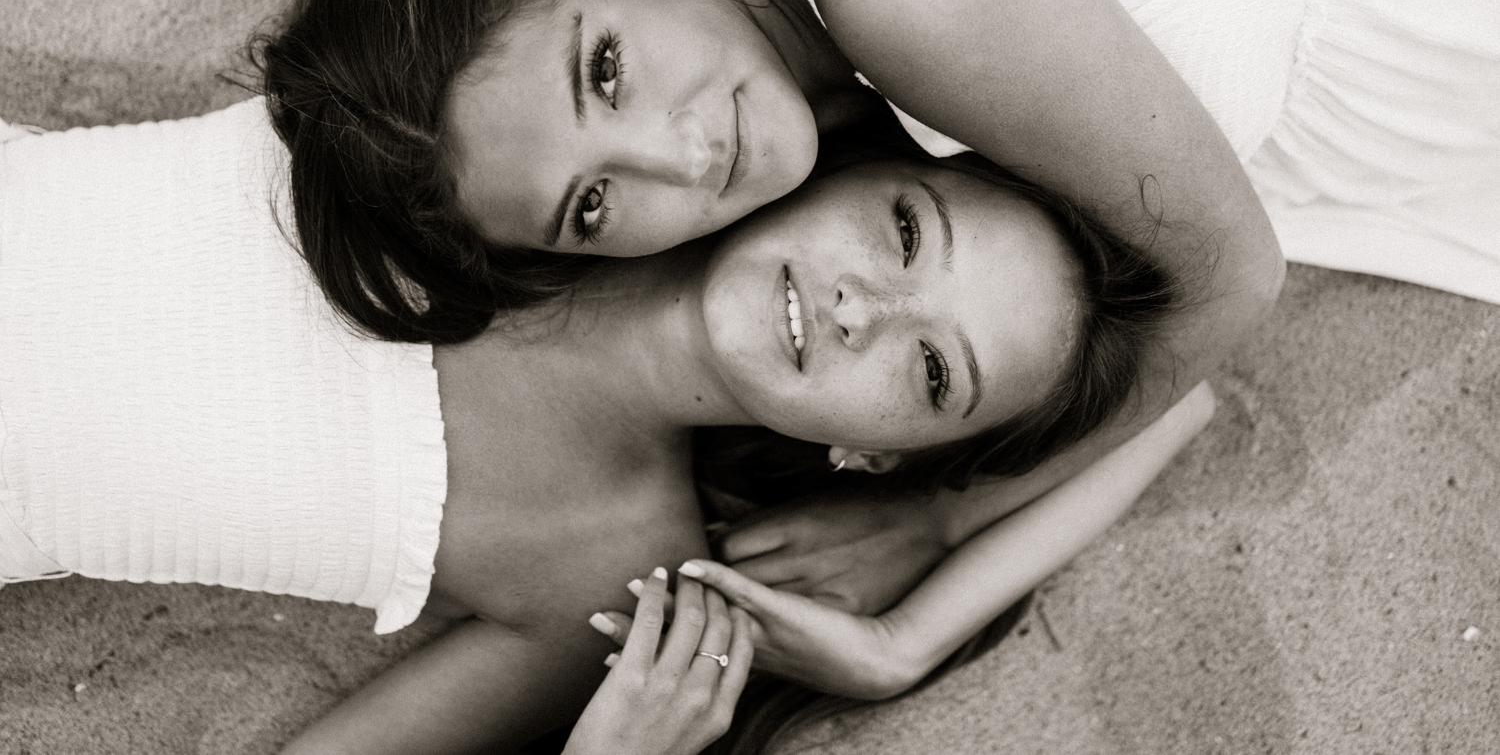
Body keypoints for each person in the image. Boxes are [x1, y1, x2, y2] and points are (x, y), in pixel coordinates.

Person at [248, 0, 1498, 512]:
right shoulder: (755, 52)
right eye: (590, 203)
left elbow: (1228, 286)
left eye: (607, 71)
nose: (677, 156)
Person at [0, 94, 1211, 753]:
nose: (862, 308)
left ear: (876, 456)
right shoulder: (566, 127)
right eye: (902, 233)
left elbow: (1194, 395)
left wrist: (923, 593)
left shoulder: (613, 572)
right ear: (843, 168)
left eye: (932, 371)